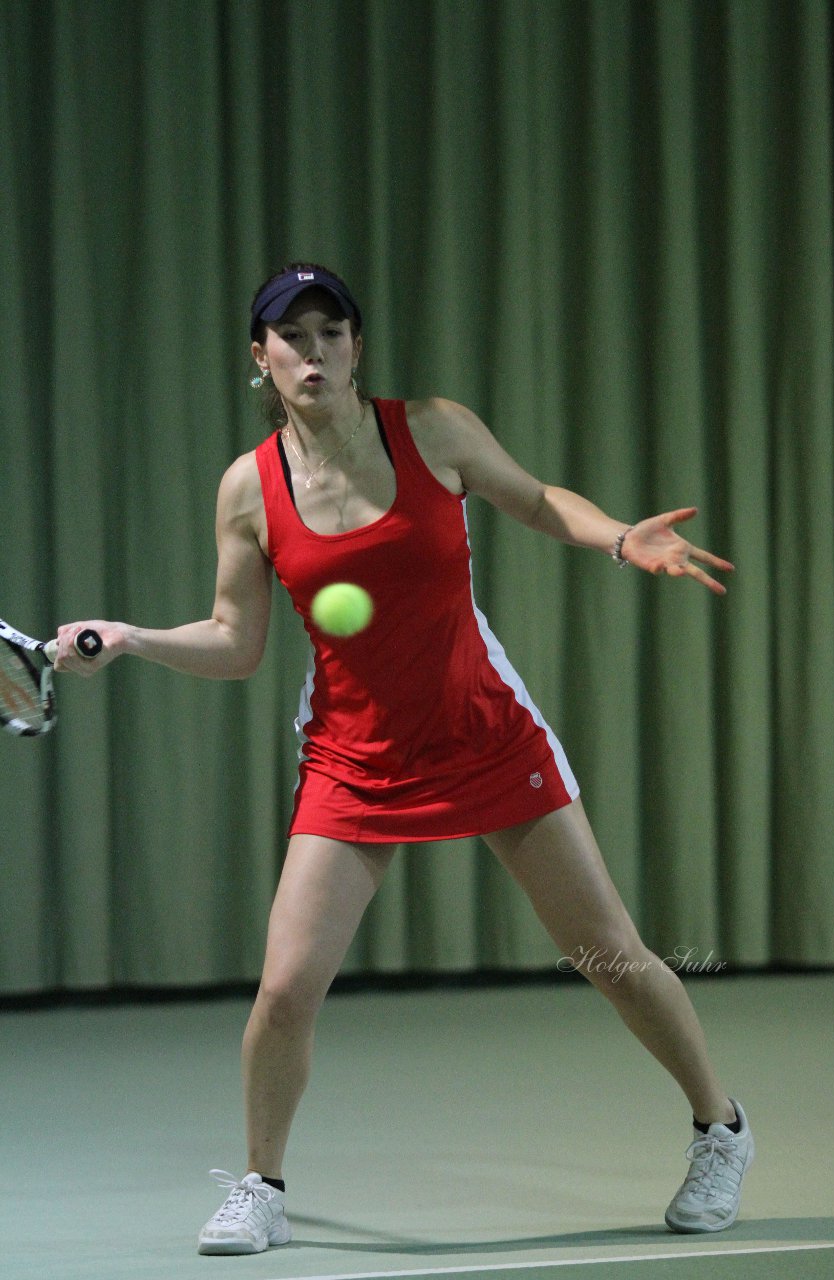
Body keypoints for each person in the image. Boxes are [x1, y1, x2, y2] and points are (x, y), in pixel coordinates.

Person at [56, 262, 754, 1255]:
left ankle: (719, 1128)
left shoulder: (431, 430)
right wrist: (128, 637)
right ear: (260, 358)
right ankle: (261, 1184)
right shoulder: (248, 490)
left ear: (355, 346)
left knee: (611, 956)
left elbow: (538, 499)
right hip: (352, 757)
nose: (312, 349)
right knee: (285, 988)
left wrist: (616, 539)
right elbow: (234, 639)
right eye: (289, 335)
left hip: (483, 730)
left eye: (330, 330)